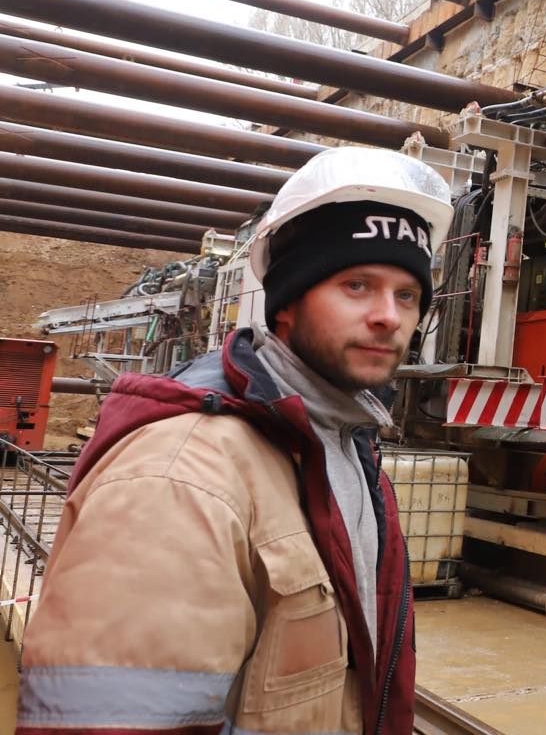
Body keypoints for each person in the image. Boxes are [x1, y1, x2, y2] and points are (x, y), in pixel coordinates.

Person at [17, 146, 453, 735]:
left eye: (406, 295)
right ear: (287, 304)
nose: (389, 317)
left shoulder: (344, 446)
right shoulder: (181, 476)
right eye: (356, 285)